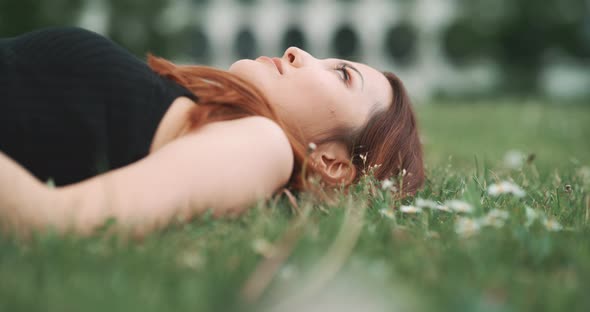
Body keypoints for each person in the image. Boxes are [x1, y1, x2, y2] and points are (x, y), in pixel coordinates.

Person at [0, 27, 424, 237]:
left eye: (342, 75)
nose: (298, 52)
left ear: (332, 164)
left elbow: (52, 220)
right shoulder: (191, 108)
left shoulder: (265, 146)